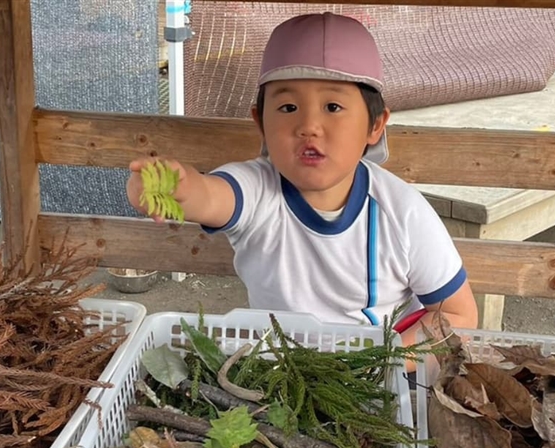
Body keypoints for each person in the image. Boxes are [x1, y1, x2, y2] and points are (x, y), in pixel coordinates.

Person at [126, 12, 478, 365]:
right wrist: (173, 187)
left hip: (379, 372)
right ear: (260, 122)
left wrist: (384, 366)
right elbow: (208, 196)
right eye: (288, 107)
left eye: (333, 107)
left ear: (375, 125)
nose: (309, 125)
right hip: (278, 371)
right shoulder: (256, 191)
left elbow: (459, 315)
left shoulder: (402, 212)